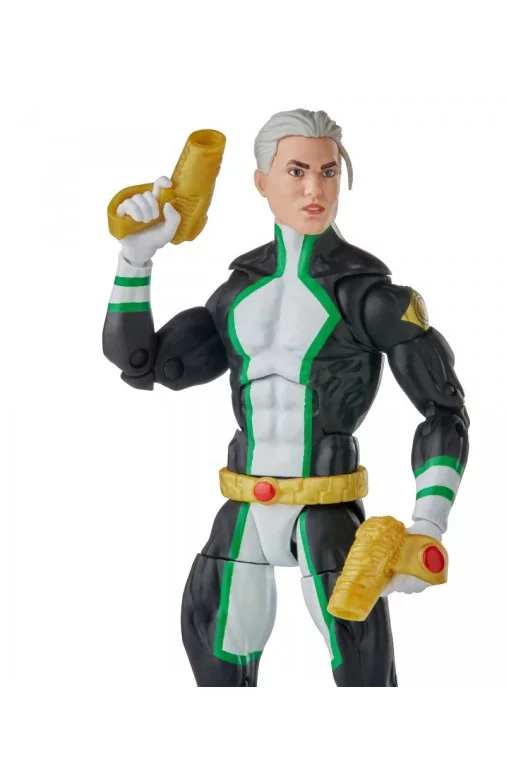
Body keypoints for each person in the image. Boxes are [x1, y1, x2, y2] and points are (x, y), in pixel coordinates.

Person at [103, 109, 469, 686]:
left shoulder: (367, 296)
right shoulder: (236, 292)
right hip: (244, 506)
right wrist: (136, 258)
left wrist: (429, 524)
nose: (314, 189)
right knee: (215, 667)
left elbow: (443, 411)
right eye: (296, 171)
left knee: (365, 677)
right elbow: (141, 364)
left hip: (328, 510)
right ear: (261, 182)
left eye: (328, 172)